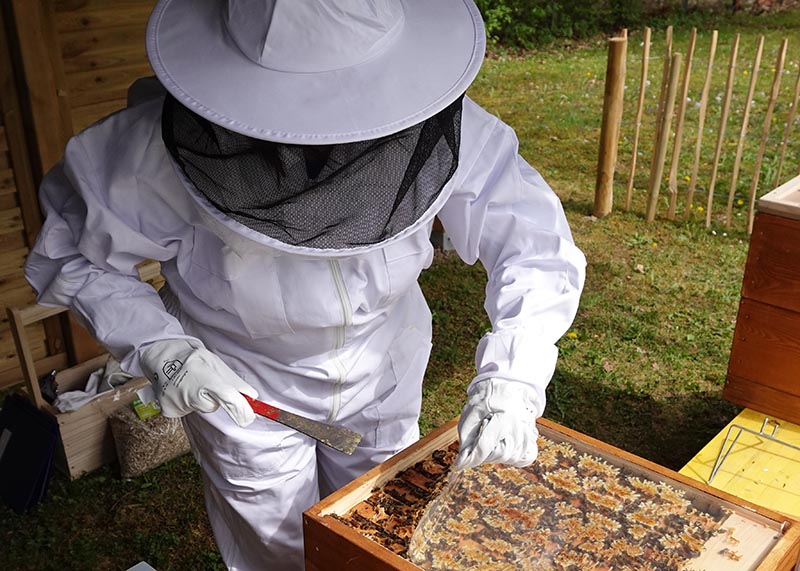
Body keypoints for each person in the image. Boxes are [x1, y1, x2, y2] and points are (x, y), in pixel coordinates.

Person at [24, 0, 586, 569]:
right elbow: (71, 253)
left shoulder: (448, 126)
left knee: (382, 527)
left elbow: (534, 244)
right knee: (278, 548)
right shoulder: (146, 148)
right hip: (245, 388)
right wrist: (160, 348)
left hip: (384, 366)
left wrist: (513, 377)